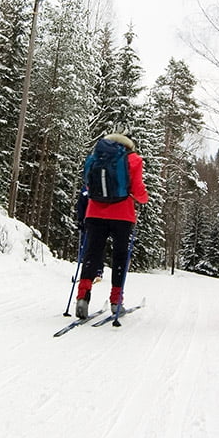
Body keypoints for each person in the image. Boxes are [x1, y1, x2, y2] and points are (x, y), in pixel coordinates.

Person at [76, 133, 149, 319]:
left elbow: (87, 184)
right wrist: (143, 199)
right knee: (120, 257)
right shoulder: (133, 159)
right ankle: (116, 301)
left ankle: (82, 297)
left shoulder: (94, 157)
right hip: (122, 215)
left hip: (94, 212)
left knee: (92, 254)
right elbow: (138, 190)